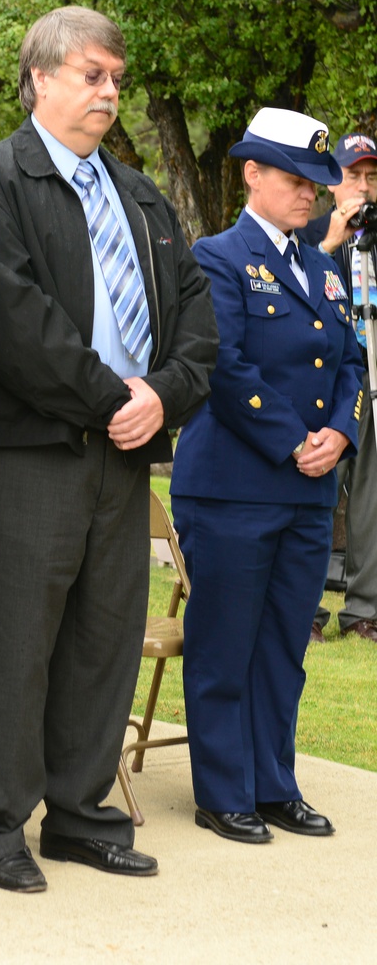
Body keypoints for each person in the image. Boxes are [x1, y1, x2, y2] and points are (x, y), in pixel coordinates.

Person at [0, 5, 217, 892]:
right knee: (17, 645)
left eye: (115, 80)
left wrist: (162, 396)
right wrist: (116, 400)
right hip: (26, 455)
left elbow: (196, 323)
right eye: (93, 75)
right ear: (41, 78)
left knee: (103, 641)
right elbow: (14, 325)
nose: (109, 93)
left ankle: (80, 815)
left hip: (124, 454)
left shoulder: (140, 196)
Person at [170, 108, 363, 843]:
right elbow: (224, 363)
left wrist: (341, 433)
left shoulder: (323, 264)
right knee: (224, 642)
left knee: (284, 644)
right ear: (252, 174)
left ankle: (274, 783)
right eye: (294, 179)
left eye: (317, 182)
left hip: (308, 489)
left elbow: (349, 362)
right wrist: (294, 440)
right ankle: (225, 791)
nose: (310, 194)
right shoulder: (217, 256)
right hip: (233, 486)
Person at [301, 133, 377, 643]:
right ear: (332, 182)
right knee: (316, 490)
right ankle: (303, 608)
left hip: (369, 379)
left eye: (373, 178)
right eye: (353, 176)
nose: (364, 188)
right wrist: (330, 240)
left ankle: (364, 611)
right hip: (319, 381)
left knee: (370, 495)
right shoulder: (304, 232)